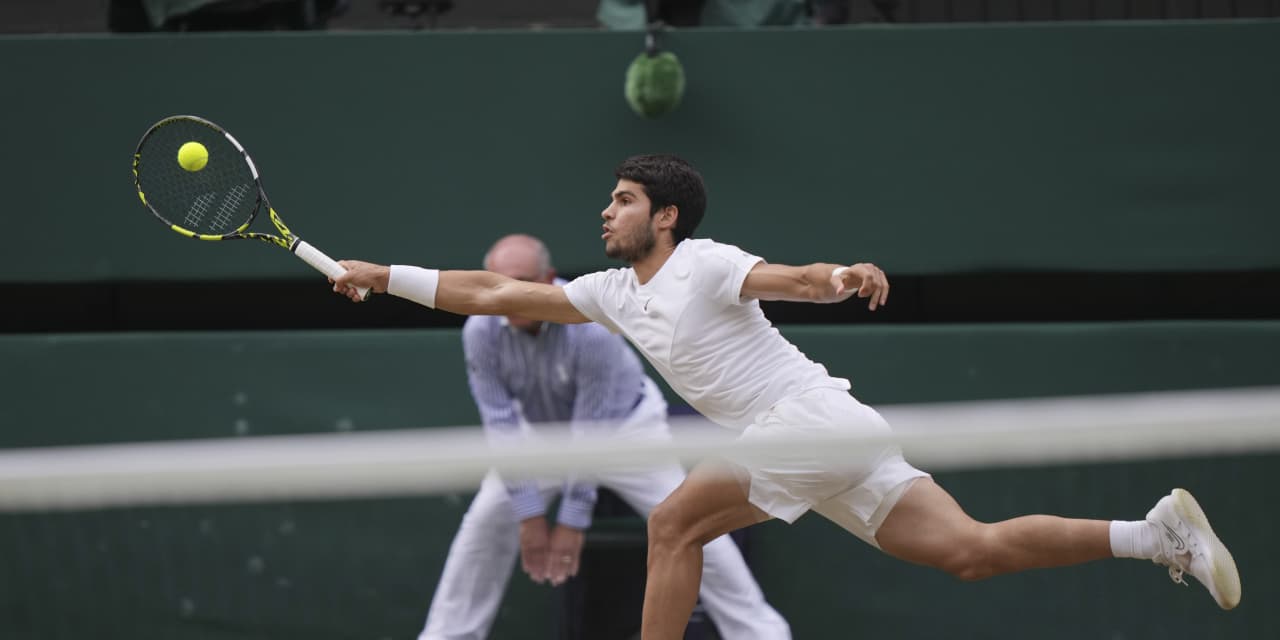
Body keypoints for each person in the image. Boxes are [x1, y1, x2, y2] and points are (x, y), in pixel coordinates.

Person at [333, 154, 1242, 639]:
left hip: (805, 421)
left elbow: (794, 279)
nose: (603, 213)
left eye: (620, 200)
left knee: (669, 525)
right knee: (969, 551)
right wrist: (386, 277)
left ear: (665, 217)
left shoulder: (705, 261)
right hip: (823, 436)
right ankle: (1155, 534)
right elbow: (493, 294)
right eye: (605, 201)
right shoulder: (609, 295)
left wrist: (840, 274)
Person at [417, 234, 791, 640]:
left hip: (626, 433)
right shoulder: (480, 331)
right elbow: (501, 426)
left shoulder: (590, 328)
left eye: (522, 280)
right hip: (537, 437)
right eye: (498, 281)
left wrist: (571, 522)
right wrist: (528, 514)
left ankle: (761, 632)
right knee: (484, 525)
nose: (508, 295)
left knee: (689, 523)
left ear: (548, 279)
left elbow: (590, 433)